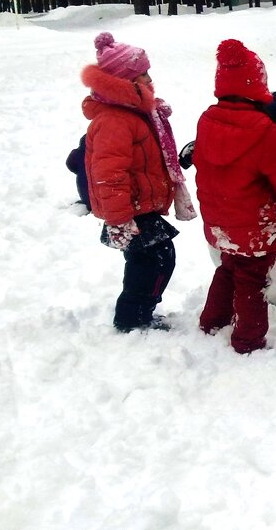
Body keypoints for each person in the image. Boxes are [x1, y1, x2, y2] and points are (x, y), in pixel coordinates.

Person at [193, 40, 276, 355]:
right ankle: (248, 340)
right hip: (255, 227)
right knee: (251, 278)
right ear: (256, 85)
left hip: (221, 220)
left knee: (229, 266)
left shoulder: (207, 120)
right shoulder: (264, 130)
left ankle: (212, 321)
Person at [80, 32, 196, 332]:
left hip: (142, 204)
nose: (149, 78)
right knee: (152, 262)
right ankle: (132, 318)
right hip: (130, 209)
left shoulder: (139, 113)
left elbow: (149, 157)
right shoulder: (115, 121)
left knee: (154, 261)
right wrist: (119, 219)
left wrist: (177, 162)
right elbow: (108, 174)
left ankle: (139, 312)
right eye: (142, 74)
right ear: (124, 82)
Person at [65, 135, 90, 211]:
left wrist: (79, 171)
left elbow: (69, 163)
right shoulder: (99, 154)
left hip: (82, 187)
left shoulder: (77, 153)